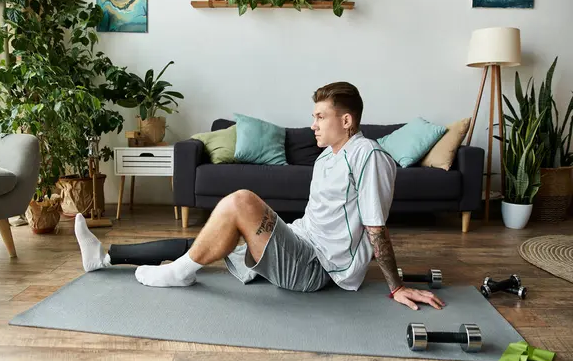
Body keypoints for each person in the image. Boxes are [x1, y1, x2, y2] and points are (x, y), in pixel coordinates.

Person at [75, 82, 445, 311]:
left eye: (320, 117)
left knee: (240, 201)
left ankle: (179, 273)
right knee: (208, 240)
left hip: (317, 269)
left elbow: (375, 228)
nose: (313, 125)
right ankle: (106, 257)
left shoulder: (370, 157)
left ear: (346, 121)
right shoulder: (327, 158)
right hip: (301, 241)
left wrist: (395, 286)